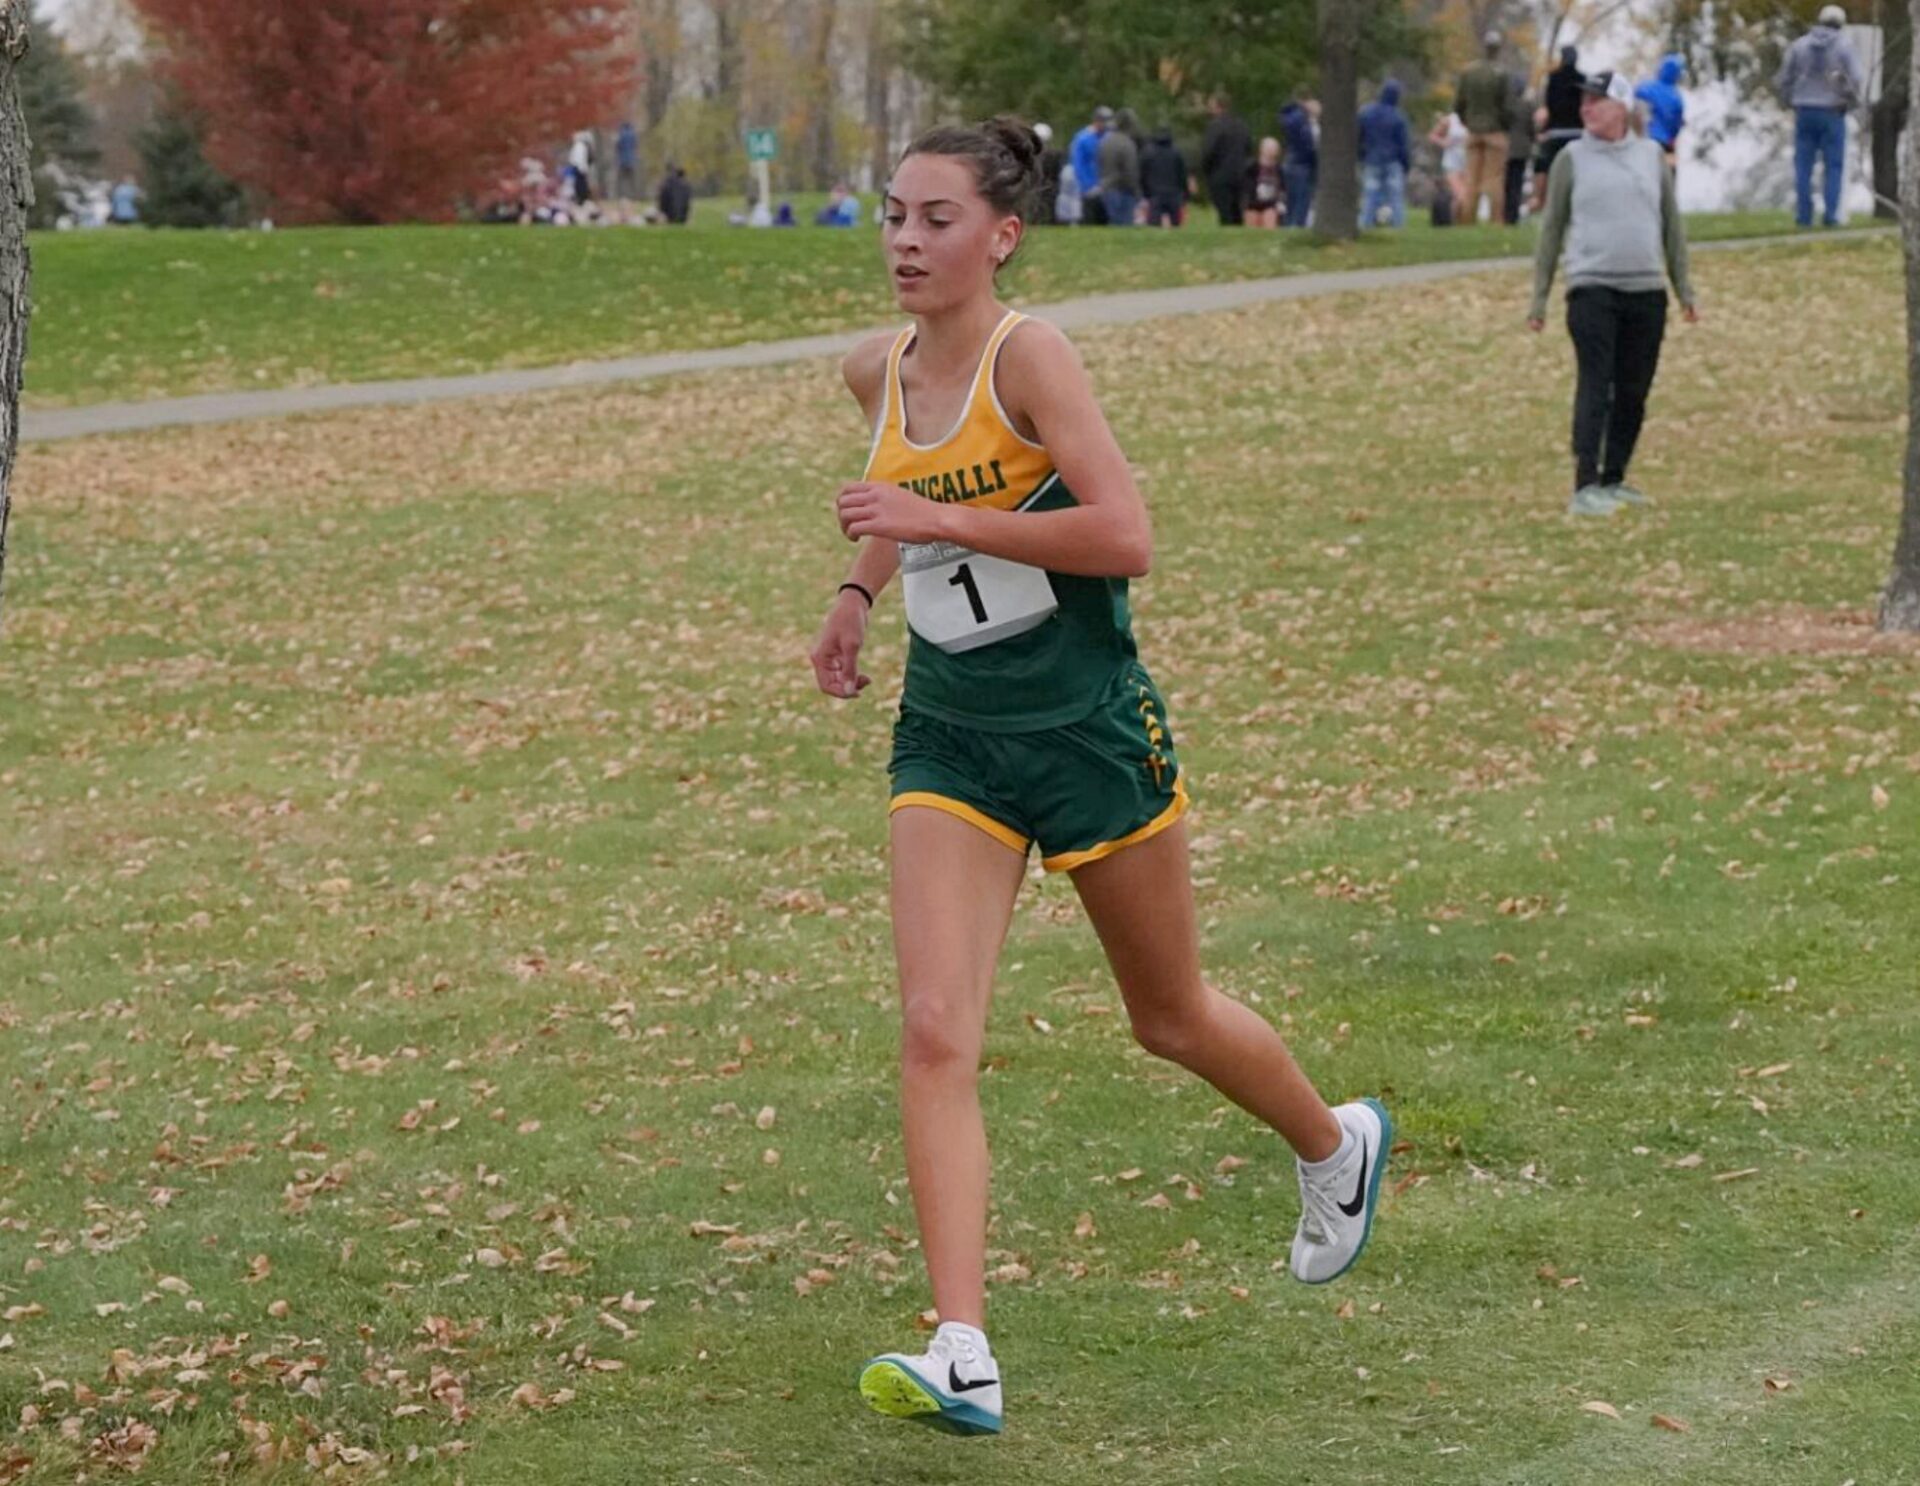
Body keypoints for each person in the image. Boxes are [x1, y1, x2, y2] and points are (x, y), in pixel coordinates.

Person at [813, 115, 1393, 1440]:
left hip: (1086, 732)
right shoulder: (874, 368)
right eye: (894, 214)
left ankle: (1333, 1144)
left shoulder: (1034, 358)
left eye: (936, 218)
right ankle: (962, 1343)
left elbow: (1125, 534)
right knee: (933, 1024)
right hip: (950, 737)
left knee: (1169, 1014)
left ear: (1001, 235)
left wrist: (938, 521)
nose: (906, 238)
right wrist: (853, 593)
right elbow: (887, 500)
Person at [1529, 72, 1699, 516]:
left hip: (1645, 289)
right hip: (1592, 288)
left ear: (1621, 107)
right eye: (1584, 102)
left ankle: (1615, 476)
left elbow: (1671, 227)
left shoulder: (1650, 157)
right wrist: (1539, 299)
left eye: (1597, 102)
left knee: (1633, 389)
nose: (1587, 109)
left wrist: (1685, 291)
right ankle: (1585, 482)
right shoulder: (1571, 158)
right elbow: (1551, 230)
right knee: (1595, 381)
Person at [1776, 6, 1864, 228]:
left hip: (1804, 110)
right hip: (1832, 111)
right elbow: (1857, 77)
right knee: (1833, 166)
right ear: (1840, 23)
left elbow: (1784, 78)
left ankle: (1804, 216)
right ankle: (1831, 215)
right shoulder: (1844, 46)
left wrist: (1789, 101)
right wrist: (1850, 100)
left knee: (1803, 166)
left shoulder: (1799, 45)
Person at [1456, 30, 1513, 224]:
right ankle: (1496, 220)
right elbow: (1507, 106)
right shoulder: (1502, 73)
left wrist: (1467, 121)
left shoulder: (1468, 72)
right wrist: (1504, 125)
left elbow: (1459, 104)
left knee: (1471, 178)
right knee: (1494, 179)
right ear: (1498, 49)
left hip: (1473, 131)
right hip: (1495, 131)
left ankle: (1466, 220)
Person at [1534, 45, 1586, 213]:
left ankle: (1549, 204)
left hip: (1556, 131)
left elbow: (1549, 104)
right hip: (1577, 131)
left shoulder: (1553, 78)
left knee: (1552, 169)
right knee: (1576, 170)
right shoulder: (1583, 79)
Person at [1358, 79, 1410, 228]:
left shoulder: (1366, 113)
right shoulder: (1398, 116)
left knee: (1369, 194)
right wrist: (1406, 163)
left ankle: (1366, 223)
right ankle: (1398, 225)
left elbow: (1360, 136)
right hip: (1393, 160)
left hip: (1372, 158)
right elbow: (1402, 143)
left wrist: (1361, 155)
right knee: (1395, 196)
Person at [1200, 94, 1252, 225]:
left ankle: (1227, 229)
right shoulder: (1241, 125)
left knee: (1224, 211)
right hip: (1240, 174)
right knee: (1237, 211)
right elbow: (1249, 148)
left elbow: (1208, 152)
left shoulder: (1215, 126)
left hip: (1220, 175)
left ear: (1218, 107)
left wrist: (1205, 170)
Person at [1635, 54, 1686, 171]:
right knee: (1667, 174)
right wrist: (1672, 137)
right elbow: (1676, 125)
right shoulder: (1677, 98)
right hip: (1666, 143)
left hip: (1645, 139)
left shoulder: (1646, 87)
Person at [1277, 90, 1318, 227]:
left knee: (1292, 201)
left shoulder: (1288, 118)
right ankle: (1297, 226)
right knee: (1302, 201)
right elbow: (1307, 142)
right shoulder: (1302, 118)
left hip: (1290, 162)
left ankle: (1289, 226)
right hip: (1302, 164)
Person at [1097, 107, 1142, 228]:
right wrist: (1136, 192)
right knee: (1125, 226)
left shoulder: (1105, 141)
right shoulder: (1127, 144)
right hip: (1123, 191)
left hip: (1106, 188)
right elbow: (1130, 171)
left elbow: (1099, 163)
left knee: (1113, 223)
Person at [1070, 106, 1112, 226]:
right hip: (1088, 188)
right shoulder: (1082, 138)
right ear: (1096, 121)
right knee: (1089, 220)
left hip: (1106, 187)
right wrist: (1087, 185)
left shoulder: (1108, 137)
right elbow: (1078, 164)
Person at [1139, 126, 1188, 227]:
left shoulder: (1148, 153)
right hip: (1174, 194)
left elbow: (1142, 175)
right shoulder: (1176, 153)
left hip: (1154, 194)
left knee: (1154, 226)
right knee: (1175, 226)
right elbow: (1182, 176)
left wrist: (1145, 193)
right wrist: (1184, 195)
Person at [1504, 76, 1534, 223]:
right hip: (1521, 149)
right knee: (1516, 183)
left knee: (1505, 183)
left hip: (1505, 148)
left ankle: (1503, 214)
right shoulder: (1527, 106)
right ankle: (1513, 215)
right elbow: (1531, 128)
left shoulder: (1505, 106)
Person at [1428, 110, 1468, 223]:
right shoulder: (1452, 119)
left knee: (1463, 197)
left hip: (1468, 163)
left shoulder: (1475, 120)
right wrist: (1443, 142)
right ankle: (1452, 220)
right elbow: (1432, 136)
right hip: (1452, 163)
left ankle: (1457, 222)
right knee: (1461, 195)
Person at [1243, 136, 1284, 227]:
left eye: (1274, 149)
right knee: (1252, 223)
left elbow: (1283, 188)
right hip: (1253, 203)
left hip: (1271, 204)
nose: (1271, 151)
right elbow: (1245, 187)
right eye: (1269, 149)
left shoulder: (1279, 169)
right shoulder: (1251, 167)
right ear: (1261, 149)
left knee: (1270, 218)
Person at [1032, 122, 1062, 225]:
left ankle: (1041, 221)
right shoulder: (1055, 154)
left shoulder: (1033, 155)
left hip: (1043, 185)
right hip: (1049, 185)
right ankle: (1050, 221)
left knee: (1043, 206)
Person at [615, 121, 640, 200]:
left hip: (622, 161)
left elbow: (618, 147)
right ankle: (634, 196)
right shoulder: (633, 134)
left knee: (622, 180)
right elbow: (635, 146)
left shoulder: (621, 134)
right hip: (631, 161)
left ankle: (622, 196)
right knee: (632, 180)